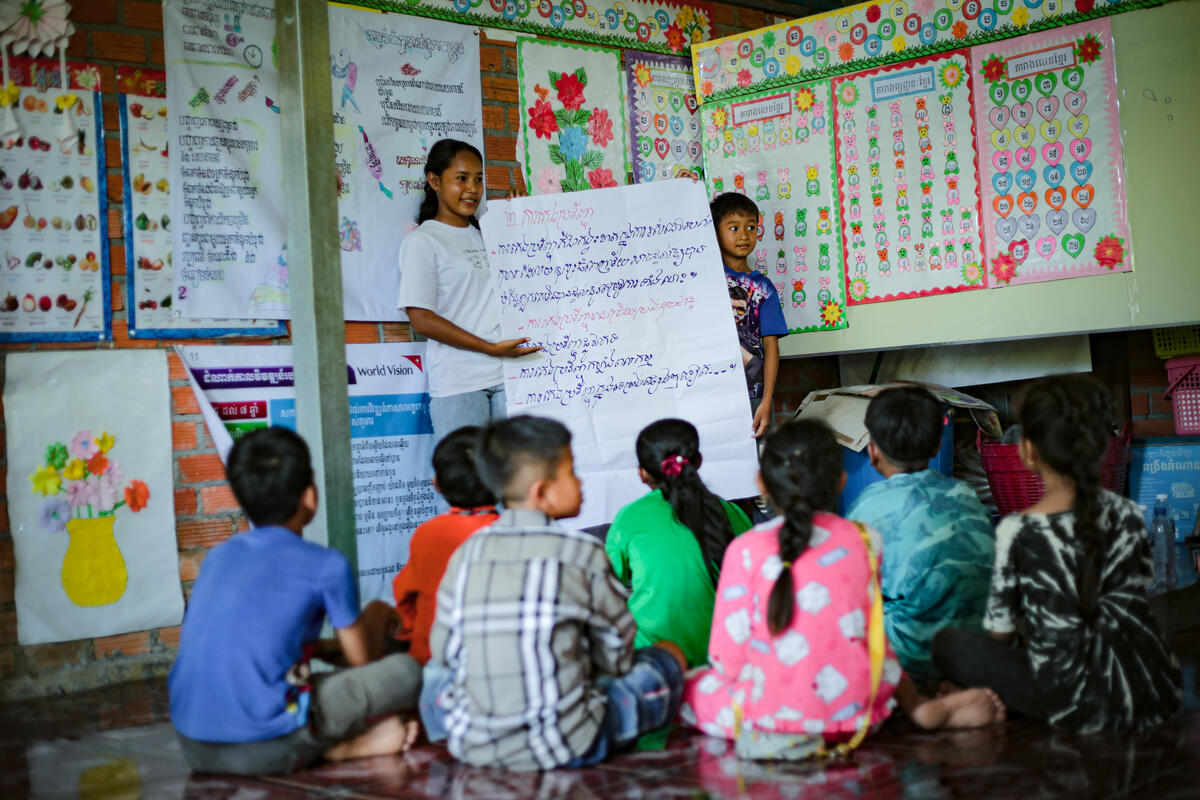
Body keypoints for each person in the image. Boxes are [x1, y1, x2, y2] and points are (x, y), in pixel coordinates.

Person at [682, 418, 1005, 761]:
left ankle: (791, 726)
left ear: (761, 483)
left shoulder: (744, 550)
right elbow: (873, 633)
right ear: (840, 482)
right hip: (858, 712)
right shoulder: (865, 539)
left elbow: (726, 660)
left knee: (691, 686)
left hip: (770, 718)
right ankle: (919, 708)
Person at [422, 415, 686, 770]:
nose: (580, 483)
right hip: (569, 743)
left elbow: (445, 651)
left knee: (434, 674)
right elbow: (618, 655)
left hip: (474, 744)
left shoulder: (467, 553)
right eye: (572, 472)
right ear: (542, 493)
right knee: (667, 657)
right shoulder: (581, 551)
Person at [933, 375, 1183, 731]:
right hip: (1152, 690)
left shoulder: (1017, 530)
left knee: (948, 643)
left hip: (1075, 700)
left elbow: (1000, 635)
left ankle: (980, 699)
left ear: (1028, 451)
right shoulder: (1126, 514)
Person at [168, 427, 421, 775]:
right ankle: (344, 748)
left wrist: (317, 648)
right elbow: (362, 661)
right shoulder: (327, 565)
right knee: (405, 672)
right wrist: (377, 614)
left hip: (193, 746)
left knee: (294, 688)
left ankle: (329, 748)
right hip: (266, 748)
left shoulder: (218, 557)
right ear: (310, 496)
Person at [846, 386, 995, 683]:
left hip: (913, 663)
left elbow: (852, 593)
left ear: (872, 450)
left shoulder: (868, 507)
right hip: (981, 653)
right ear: (937, 447)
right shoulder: (965, 494)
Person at [396, 139, 541, 443]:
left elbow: (525, 279)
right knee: (469, 484)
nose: (473, 189)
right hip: (459, 383)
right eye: (461, 178)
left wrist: (522, 221)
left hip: (508, 377)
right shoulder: (423, 241)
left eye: (478, 179)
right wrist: (490, 348)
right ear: (434, 181)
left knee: (512, 480)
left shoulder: (489, 232)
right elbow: (421, 319)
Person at [606, 418, 752, 668]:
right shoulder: (731, 513)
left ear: (641, 473)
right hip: (726, 658)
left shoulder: (629, 519)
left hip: (656, 663)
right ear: (698, 462)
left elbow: (605, 591)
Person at [391, 426, 499, 665]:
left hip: (433, 662)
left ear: (437, 483)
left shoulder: (428, 534)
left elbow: (404, 600)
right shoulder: (513, 533)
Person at [710, 192, 788, 439]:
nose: (744, 235)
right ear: (715, 231)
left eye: (751, 227)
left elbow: (771, 347)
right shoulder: (704, 274)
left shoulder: (764, 288)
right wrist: (681, 188)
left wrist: (767, 400)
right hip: (711, 390)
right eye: (733, 227)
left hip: (753, 395)